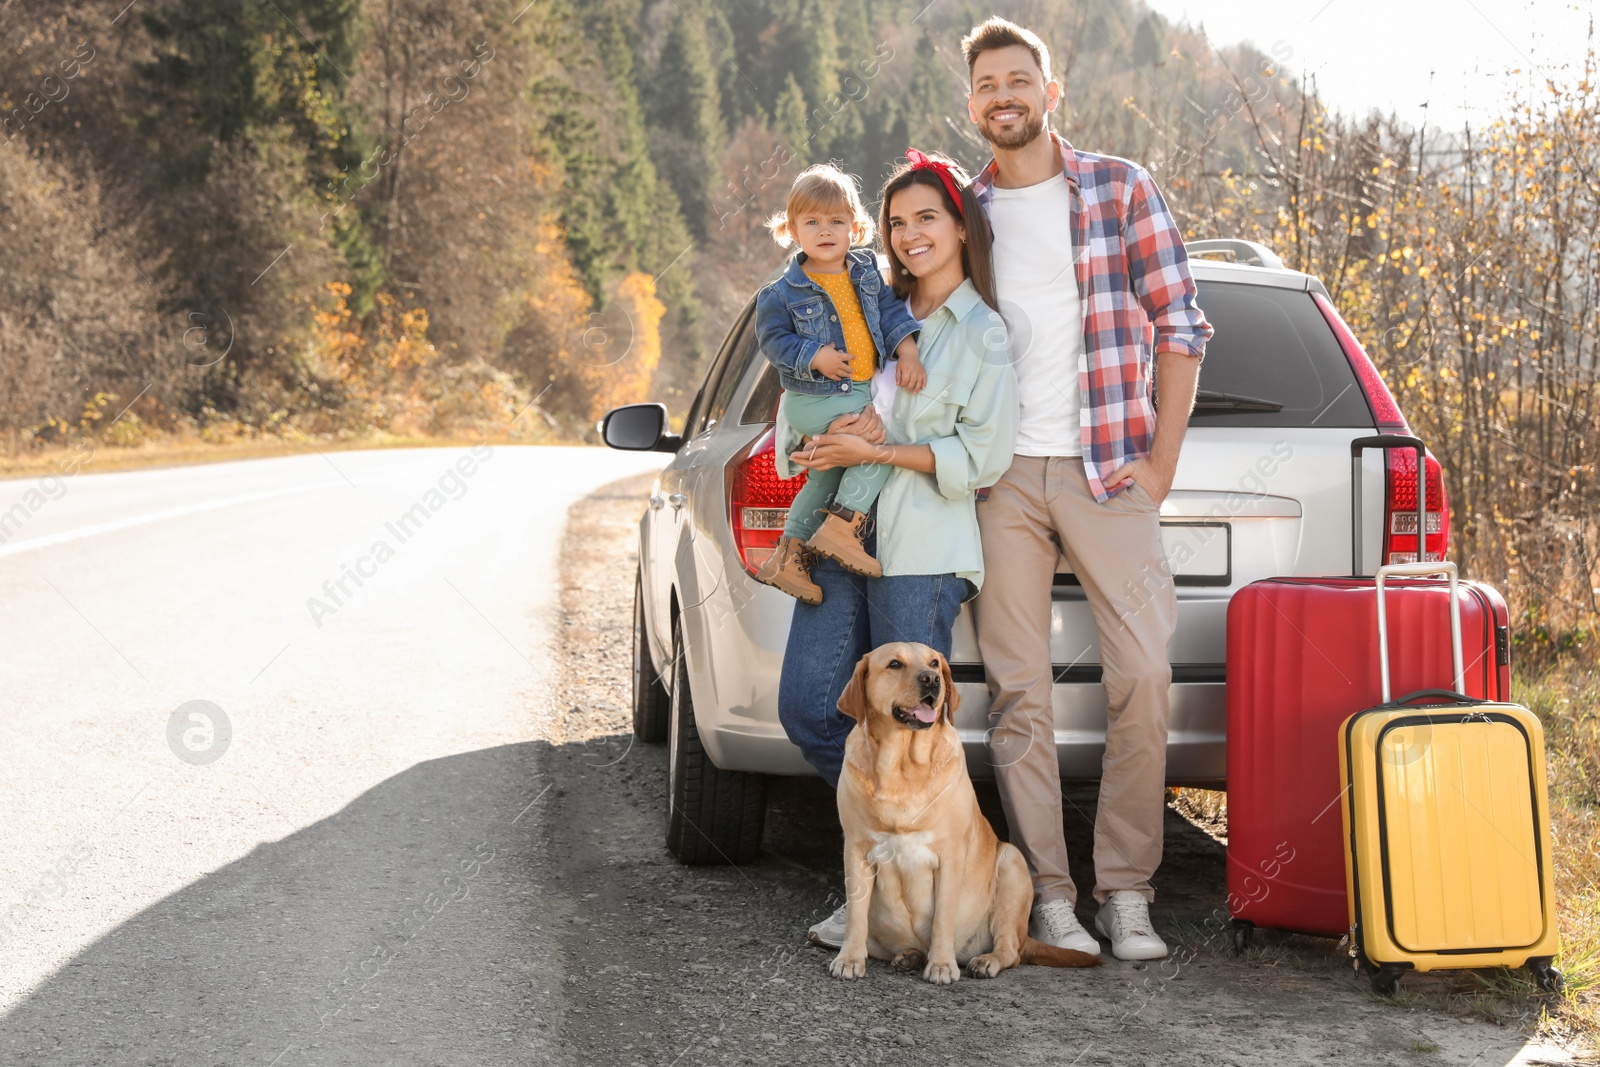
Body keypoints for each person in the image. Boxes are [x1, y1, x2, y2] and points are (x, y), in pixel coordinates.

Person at [961, 17, 1214, 962]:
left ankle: (1127, 889)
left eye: (1019, 79)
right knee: (1019, 692)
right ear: (972, 101)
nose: (1004, 96)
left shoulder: (1117, 187)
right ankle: (1051, 896)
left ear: (1050, 91)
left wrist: (1161, 462)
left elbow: (1181, 324)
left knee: (1143, 676)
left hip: (1110, 467)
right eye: (987, 84)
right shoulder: (966, 210)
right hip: (1002, 480)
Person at [774, 150, 1018, 947]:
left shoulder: (982, 332)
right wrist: (812, 446)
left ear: (959, 226)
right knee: (812, 704)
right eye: (898, 222)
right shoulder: (860, 298)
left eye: (928, 219)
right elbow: (801, 401)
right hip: (838, 531)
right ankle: (877, 852)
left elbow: (980, 458)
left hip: (920, 543)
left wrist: (873, 455)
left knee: (916, 719)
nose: (911, 235)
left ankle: (898, 883)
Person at [752, 164, 925, 602]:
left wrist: (907, 350)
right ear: (792, 229)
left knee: (826, 477)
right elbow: (772, 342)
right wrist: (815, 356)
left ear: (856, 227)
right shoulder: (781, 293)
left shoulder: (865, 272)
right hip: (813, 396)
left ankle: (788, 556)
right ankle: (842, 528)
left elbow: (889, 314)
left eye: (836, 221)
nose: (824, 231)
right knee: (876, 449)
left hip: (853, 391)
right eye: (812, 222)